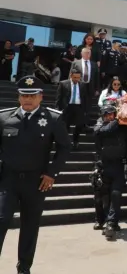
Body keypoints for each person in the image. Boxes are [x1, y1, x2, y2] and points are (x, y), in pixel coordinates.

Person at [0, 76, 71, 274]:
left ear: (41, 96)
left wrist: (51, 173)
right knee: (1, 219)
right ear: (18, 97)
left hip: (36, 181)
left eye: (32, 95)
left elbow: (65, 147)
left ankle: (24, 268)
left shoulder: (53, 118)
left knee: (30, 226)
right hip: (8, 180)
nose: (27, 99)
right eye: (23, 95)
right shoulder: (4, 117)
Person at [92, 104, 127, 240]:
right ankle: (102, 219)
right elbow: (104, 131)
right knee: (102, 197)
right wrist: (117, 120)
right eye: (107, 115)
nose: (110, 117)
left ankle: (111, 223)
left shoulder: (121, 126)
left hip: (118, 166)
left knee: (116, 194)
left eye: (112, 114)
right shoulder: (100, 125)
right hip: (103, 165)